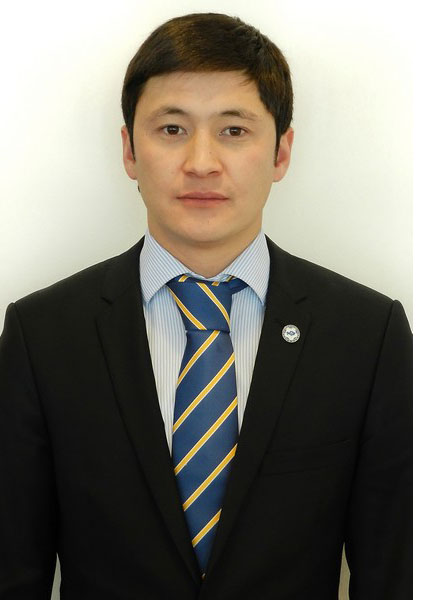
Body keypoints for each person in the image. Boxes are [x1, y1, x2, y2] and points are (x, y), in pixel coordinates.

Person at [0, 12, 412, 600]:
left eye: (234, 130)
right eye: (171, 129)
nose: (200, 162)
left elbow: (393, 573)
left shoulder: (367, 336)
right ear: (129, 150)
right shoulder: (41, 335)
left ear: (281, 153)